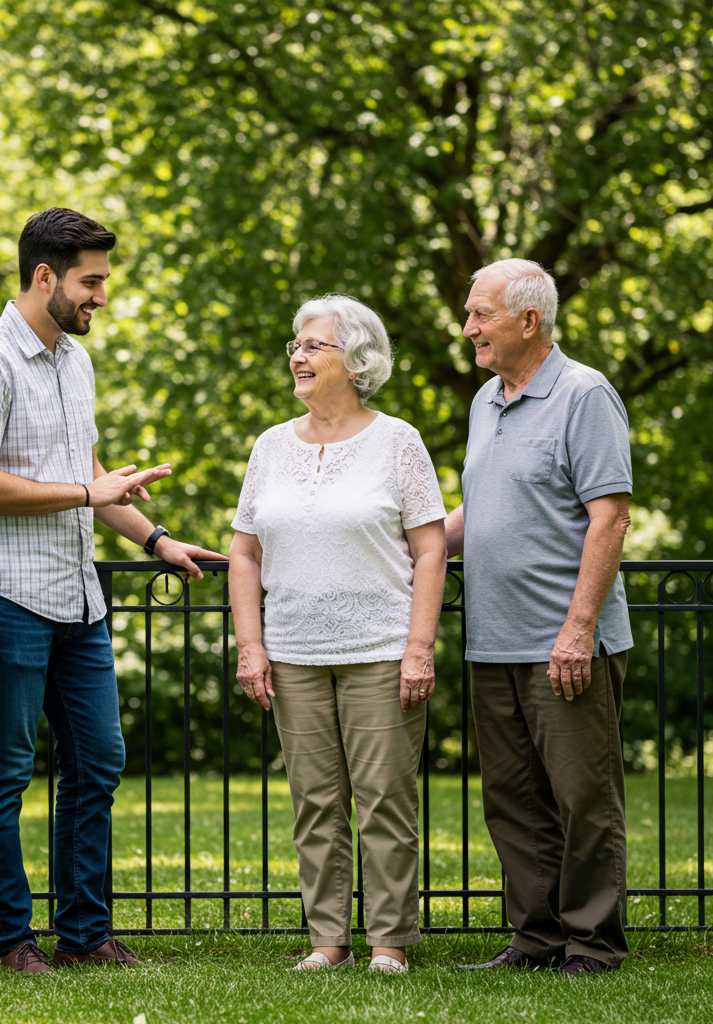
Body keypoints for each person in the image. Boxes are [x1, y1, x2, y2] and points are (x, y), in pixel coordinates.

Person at [0, 207, 225, 973]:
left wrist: (157, 540)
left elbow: (93, 480)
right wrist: (86, 494)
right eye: (90, 281)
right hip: (6, 596)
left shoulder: (76, 361)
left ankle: (84, 933)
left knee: (98, 760)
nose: (101, 295)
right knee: (5, 771)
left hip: (78, 597)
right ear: (46, 277)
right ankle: (11, 940)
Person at [229, 294, 448, 974]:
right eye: (295, 345)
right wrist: (251, 646)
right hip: (293, 654)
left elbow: (431, 549)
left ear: (356, 361)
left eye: (313, 345)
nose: (298, 356)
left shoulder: (398, 441)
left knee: (386, 800)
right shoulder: (270, 446)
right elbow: (244, 551)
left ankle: (389, 942)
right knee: (315, 803)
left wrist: (419, 648)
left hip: (380, 651)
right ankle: (328, 941)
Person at [445, 259, 632, 977]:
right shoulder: (485, 401)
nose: (468, 327)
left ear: (529, 320)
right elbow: (481, 510)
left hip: (565, 640)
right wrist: (399, 547)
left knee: (583, 798)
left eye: (480, 314)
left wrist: (579, 628)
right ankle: (537, 937)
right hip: (493, 640)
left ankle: (592, 944)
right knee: (514, 801)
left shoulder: (584, 394)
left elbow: (609, 517)